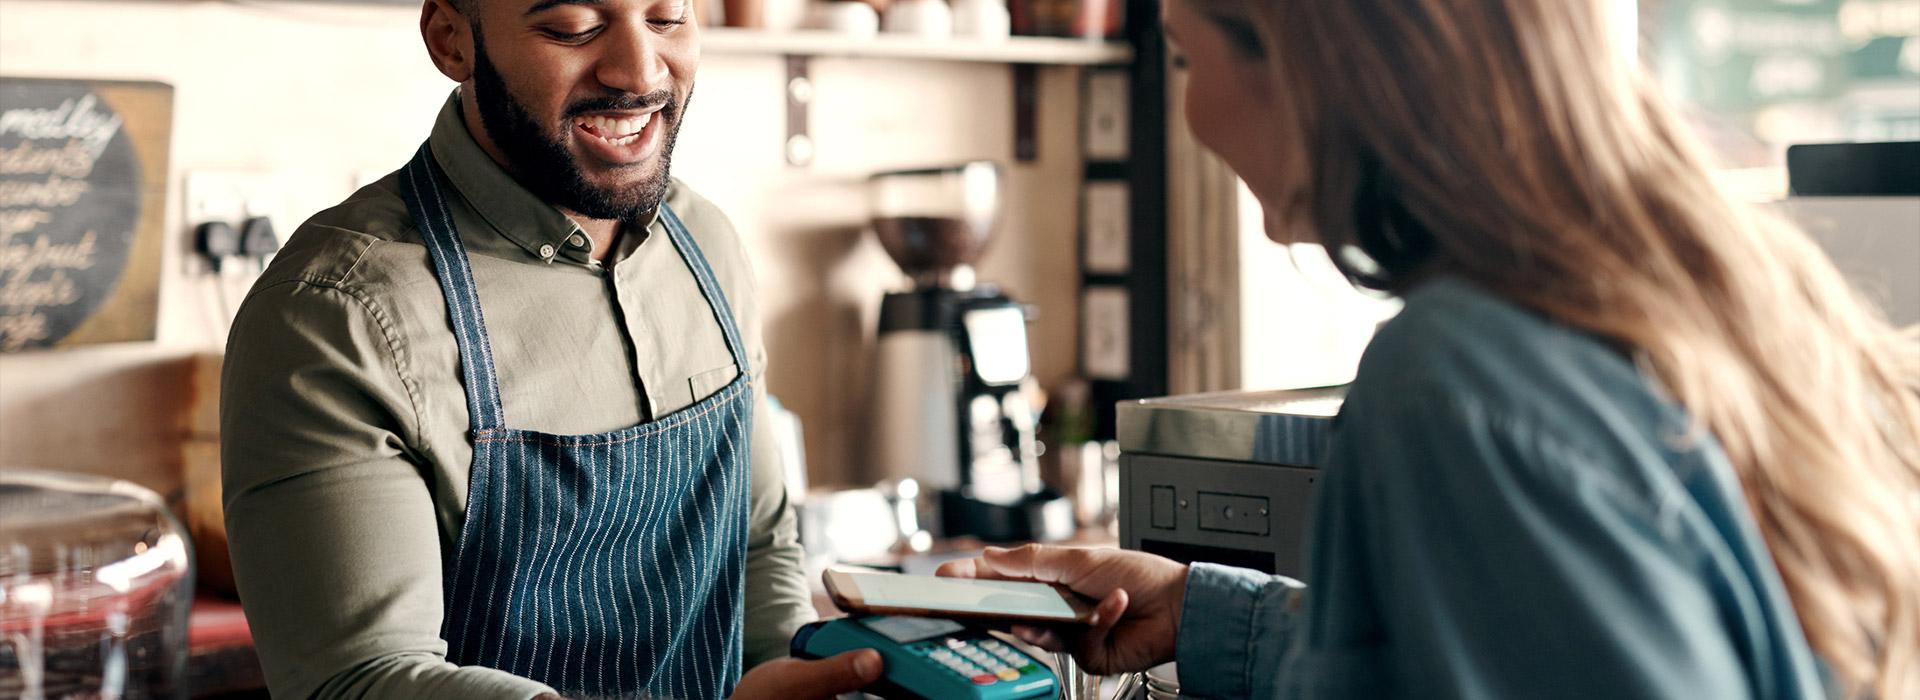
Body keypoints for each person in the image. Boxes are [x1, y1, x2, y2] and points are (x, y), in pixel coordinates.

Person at [939, 1, 1920, 698]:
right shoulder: (1713, 286)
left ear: (1315, 67)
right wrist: (1208, 613)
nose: (1191, 117)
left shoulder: (1454, 383)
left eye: (1188, 60)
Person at [219, 0, 883, 697]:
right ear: (451, 41)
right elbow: (356, 680)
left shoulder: (705, 244)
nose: (639, 69)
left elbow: (755, 543)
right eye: (573, 26)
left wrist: (793, 668)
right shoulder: (335, 314)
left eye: (666, 16)